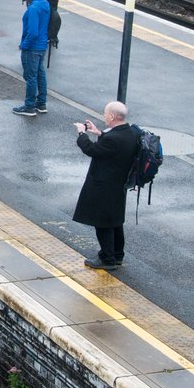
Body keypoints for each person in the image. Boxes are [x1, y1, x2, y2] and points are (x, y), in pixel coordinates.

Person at [73, 102, 140, 270]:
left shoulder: (113, 139)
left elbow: (91, 150)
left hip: (104, 186)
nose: (104, 116)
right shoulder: (130, 132)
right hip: (118, 184)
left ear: (111, 116)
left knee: (102, 222)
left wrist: (82, 133)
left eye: (105, 114)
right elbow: (113, 147)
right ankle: (117, 255)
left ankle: (107, 258)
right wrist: (99, 133)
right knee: (115, 220)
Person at [14, 0, 50, 116]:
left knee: (30, 77)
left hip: (32, 47)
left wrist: (24, 45)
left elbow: (33, 31)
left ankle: (29, 106)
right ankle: (41, 103)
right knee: (40, 74)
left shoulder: (33, 8)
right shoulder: (44, 4)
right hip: (41, 46)